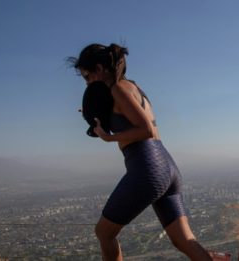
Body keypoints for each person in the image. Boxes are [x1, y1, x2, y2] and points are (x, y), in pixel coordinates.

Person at [70, 43, 214, 261]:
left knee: (104, 232)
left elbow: (145, 129)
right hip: (167, 165)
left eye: (87, 76)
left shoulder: (117, 89)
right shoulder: (133, 87)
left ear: (99, 68)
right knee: (184, 240)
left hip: (147, 167)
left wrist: (109, 138)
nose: (87, 83)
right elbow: (135, 121)